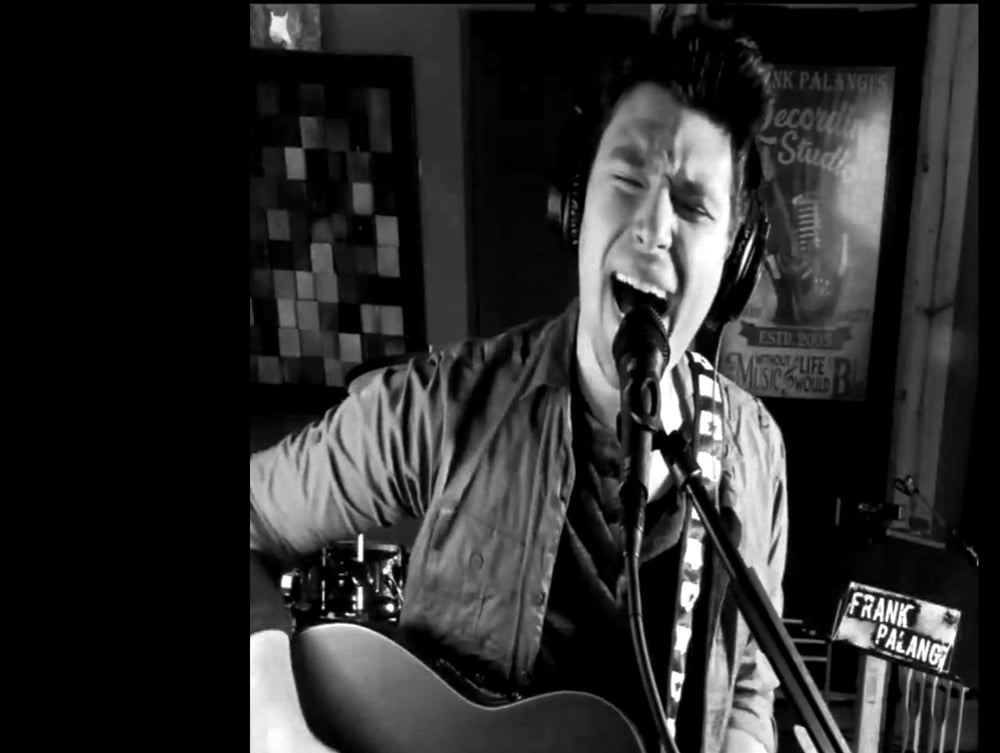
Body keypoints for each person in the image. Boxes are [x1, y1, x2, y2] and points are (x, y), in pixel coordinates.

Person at [250, 10, 788, 753]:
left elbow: (751, 682)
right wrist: (276, 725)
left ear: (731, 260)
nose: (653, 227)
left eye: (694, 206)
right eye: (628, 177)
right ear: (575, 206)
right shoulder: (443, 405)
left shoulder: (756, 456)